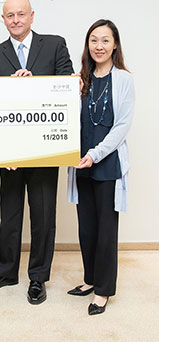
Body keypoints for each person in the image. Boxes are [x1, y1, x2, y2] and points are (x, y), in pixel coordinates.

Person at [0, 0, 74, 305]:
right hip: (10, 152)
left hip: (45, 147)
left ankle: (38, 277)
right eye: (10, 15)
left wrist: (37, 85)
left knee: (43, 216)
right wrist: (0, 150)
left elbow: (68, 88)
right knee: (9, 214)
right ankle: (6, 272)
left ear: (32, 16)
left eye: (21, 14)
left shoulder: (55, 45)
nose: (16, 20)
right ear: (3, 19)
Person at [66, 19, 135, 316]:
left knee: (106, 231)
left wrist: (96, 154)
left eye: (105, 40)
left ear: (115, 44)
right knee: (87, 228)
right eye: (94, 40)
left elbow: (122, 127)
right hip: (81, 164)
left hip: (107, 164)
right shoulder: (80, 79)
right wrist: (71, 93)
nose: (99, 46)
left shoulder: (124, 80)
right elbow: (66, 119)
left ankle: (103, 290)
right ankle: (90, 279)